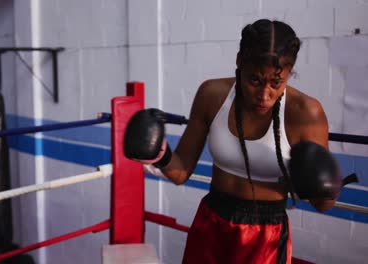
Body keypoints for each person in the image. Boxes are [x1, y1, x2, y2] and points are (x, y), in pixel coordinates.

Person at [124, 19, 344, 264]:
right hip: (211, 221)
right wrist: (160, 155)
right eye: (255, 81)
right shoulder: (212, 95)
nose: (264, 95)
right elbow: (181, 171)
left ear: (289, 72)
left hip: (265, 236)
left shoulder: (305, 113)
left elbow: (323, 205)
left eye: (276, 83)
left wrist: (323, 184)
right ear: (239, 61)